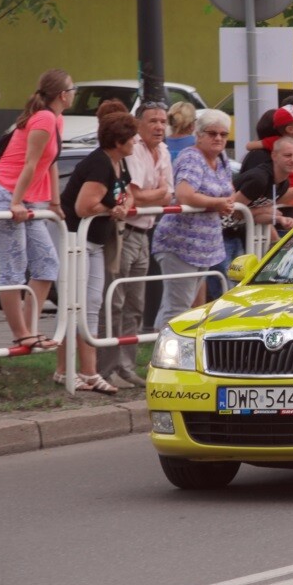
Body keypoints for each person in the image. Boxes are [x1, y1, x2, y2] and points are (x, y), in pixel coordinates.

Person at [0, 69, 73, 350]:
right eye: (72, 88)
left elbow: (52, 161)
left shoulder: (56, 119)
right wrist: (15, 202)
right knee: (14, 268)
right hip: (3, 193)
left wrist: (55, 201)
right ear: (62, 94)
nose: (74, 92)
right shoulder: (43, 118)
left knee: (47, 265)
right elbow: (30, 163)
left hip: (30, 197)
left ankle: (30, 329)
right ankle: (21, 333)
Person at [53, 101, 135, 394]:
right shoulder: (99, 163)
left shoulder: (118, 161)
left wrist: (122, 206)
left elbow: (126, 192)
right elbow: (84, 206)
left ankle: (86, 372)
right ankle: (72, 371)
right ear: (118, 141)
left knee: (91, 306)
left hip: (95, 243)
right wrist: (112, 210)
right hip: (76, 241)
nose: (135, 142)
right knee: (76, 306)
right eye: (132, 138)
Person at [96, 100, 173, 388]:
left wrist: (157, 193)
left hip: (145, 233)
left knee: (135, 304)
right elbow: (137, 195)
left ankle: (126, 366)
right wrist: (159, 192)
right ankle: (105, 369)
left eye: (163, 121)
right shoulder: (133, 149)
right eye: (153, 120)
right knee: (114, 301)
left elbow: (170, 194)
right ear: (138, 125)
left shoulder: (163, 150)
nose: (159, 126)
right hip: (123, 231)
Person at [151, 109, 234, 330]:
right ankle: (163, 357)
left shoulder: (222, 159)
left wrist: (224, 202)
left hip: (203, 248)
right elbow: (185, 194)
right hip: (180, 244)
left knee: (185, 306)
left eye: (223, 134)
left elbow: (229, 191)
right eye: (212, 133)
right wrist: (217, 203)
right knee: (177, 308)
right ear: (198, 134)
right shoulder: (191, 157)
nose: (218, 138)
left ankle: (162, 352)